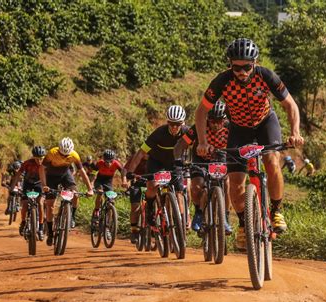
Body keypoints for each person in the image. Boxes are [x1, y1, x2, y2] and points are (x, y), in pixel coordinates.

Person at [194, 38, 304, 250]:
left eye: (247, 67)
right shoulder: (222, 81)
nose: (242, 72)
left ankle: (277, 210)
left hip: (265, 122)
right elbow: (201, 112)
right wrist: (202, 142)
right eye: (236, 67)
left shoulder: (266, 75)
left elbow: (290, 105)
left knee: (272, 162)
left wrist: (295, 132)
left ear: (255, 62)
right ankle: (244, 224)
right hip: (238, 128)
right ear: (230, 65)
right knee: (235, 182)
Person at [173, 100, 232, 235]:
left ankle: (225, 217)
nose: (216, 125)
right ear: (207, 119)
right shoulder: (199, 127)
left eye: (220, 121)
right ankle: (199, 212)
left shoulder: (230, 128)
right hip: (200, 159)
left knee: (227, 182)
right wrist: (178, 161)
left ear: (225, 119)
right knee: (197, 186)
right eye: (212, 121)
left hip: (220, 157)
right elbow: (180, 145)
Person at [126, 105, 189, 230]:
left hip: (174, 163)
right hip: (157, 162)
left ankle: (182, 219)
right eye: (171, 124)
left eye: (178, 124)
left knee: (179, 190)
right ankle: (150, 209)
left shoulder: (187, 132)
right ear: (167, 122)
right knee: (152, 185)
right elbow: (141, 153)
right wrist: (130, 172)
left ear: (183, 123)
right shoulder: (159, 133)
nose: (174, 127)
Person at [43, 137, 94, 246]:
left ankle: (72, 217)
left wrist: (90, 189)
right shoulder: (52, 153)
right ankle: (50, 233)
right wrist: (44, 185)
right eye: (62, 154)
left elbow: (82, 172)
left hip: (65, 175)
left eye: (67, 155)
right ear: (59, 150)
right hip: (51, 176)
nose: (64, 157)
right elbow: (41, 169)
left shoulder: (75, 155)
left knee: (75, 195)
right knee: (50, 204)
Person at [10, 146, 48, 240]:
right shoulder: (27, 163)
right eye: (37, 158)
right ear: (33, 157)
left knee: (40, 203)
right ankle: (23, 222)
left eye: (41, 158)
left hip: (40, 184)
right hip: (28, 184)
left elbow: (50, 176)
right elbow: (18, 174)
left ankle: (41, 228)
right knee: (25, 204)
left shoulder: (47, 164)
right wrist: (12, 187)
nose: (39, 161)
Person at [91, 149, 128, 226]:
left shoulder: (116, 163)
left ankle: (108, 224)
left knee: (111, 201)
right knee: (100, 193)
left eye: (111, 161)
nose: (109, 163)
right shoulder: (99, 163)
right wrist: (91, 184)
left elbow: (123, 171)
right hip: (99, 181)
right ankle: (97, 211)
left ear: (113, 160)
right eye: (106, 161)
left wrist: (124, 181)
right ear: (104, 160)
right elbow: (94, 173)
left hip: (108, 182)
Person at [125, 154, 148, 244]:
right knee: (135, 207)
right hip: (136, 183)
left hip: (150, 182)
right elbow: (125, 169)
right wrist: (124, 180)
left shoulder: (156, 155)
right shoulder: (136, 156)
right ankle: (134, 231)